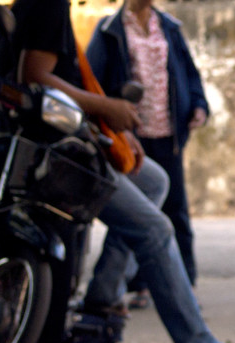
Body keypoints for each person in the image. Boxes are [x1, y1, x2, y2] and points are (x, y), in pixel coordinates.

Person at [7, 0, 235, 343]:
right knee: (156, 229)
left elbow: (184, 74)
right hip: (60, 150)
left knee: (155, 182)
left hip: (101, 132)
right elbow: (35, 77)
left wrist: (111, 127)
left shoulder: (166, 26)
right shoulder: (66, 12)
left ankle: (103, 296)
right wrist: (107, 108)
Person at [86, 0, 210, 310]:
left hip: (168, 134)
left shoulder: (169, 26)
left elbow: (189, 74)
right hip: (130, 134)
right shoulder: (108, 30)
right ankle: (139, 284)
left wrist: (198, 105)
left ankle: (185, 283)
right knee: (139, 214)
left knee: (174, 209)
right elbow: (92, 82)